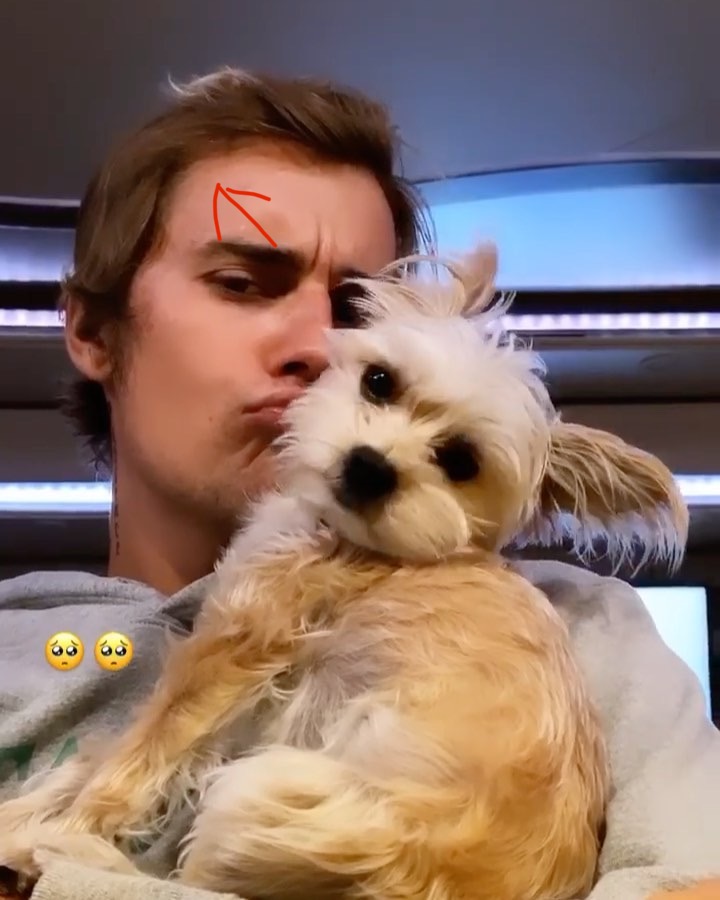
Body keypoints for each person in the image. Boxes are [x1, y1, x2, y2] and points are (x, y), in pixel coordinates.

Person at [0, 66, 719, 900]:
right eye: (243, 283)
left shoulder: (590, 633)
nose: (321, 344)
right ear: (93, 329)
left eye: (355, 308)